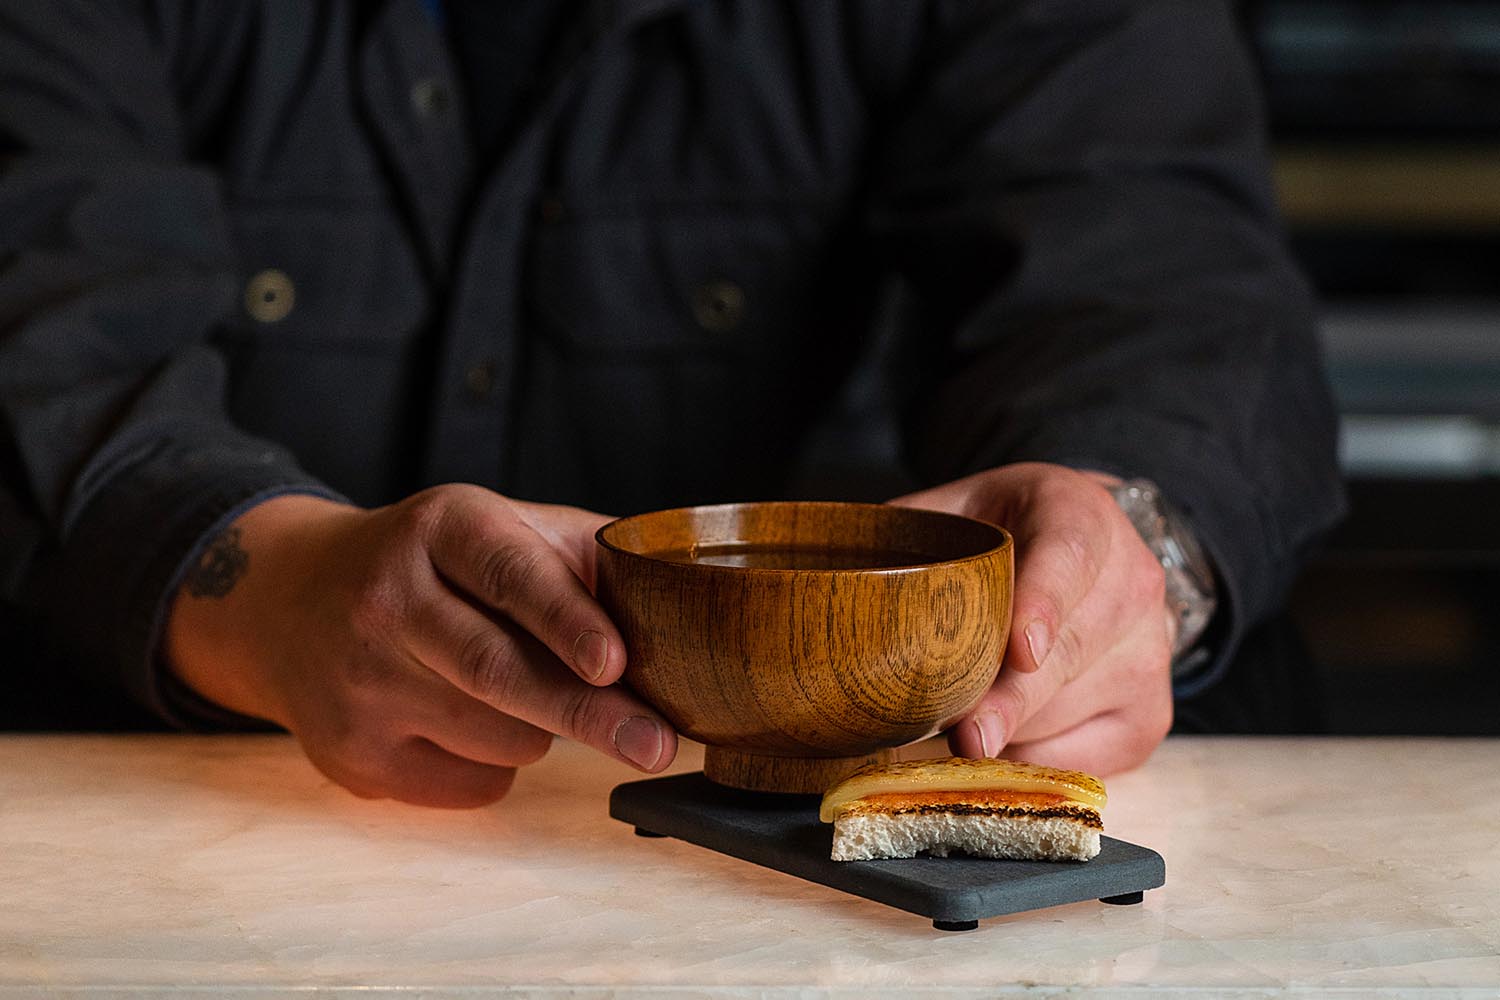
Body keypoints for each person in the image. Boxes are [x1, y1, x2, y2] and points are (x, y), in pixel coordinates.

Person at [0, 0, 1344, 806]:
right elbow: (45, 302)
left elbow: (1169, 289)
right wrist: (267, 587)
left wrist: (1130, 544)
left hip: (810, 904)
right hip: (152, 836)